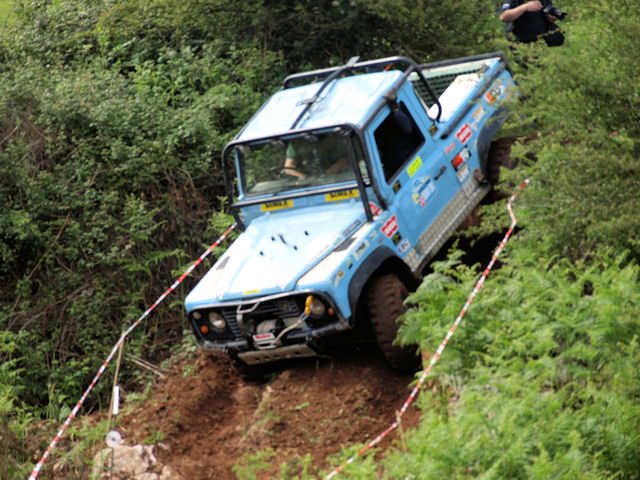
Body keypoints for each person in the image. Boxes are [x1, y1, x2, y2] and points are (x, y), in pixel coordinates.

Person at [500, 1, 564, 46]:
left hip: (541, 35)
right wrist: (526, 7)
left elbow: (548, 8)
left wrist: (551, 16)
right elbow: (504, 16)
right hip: (521, 37)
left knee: (557, 36)